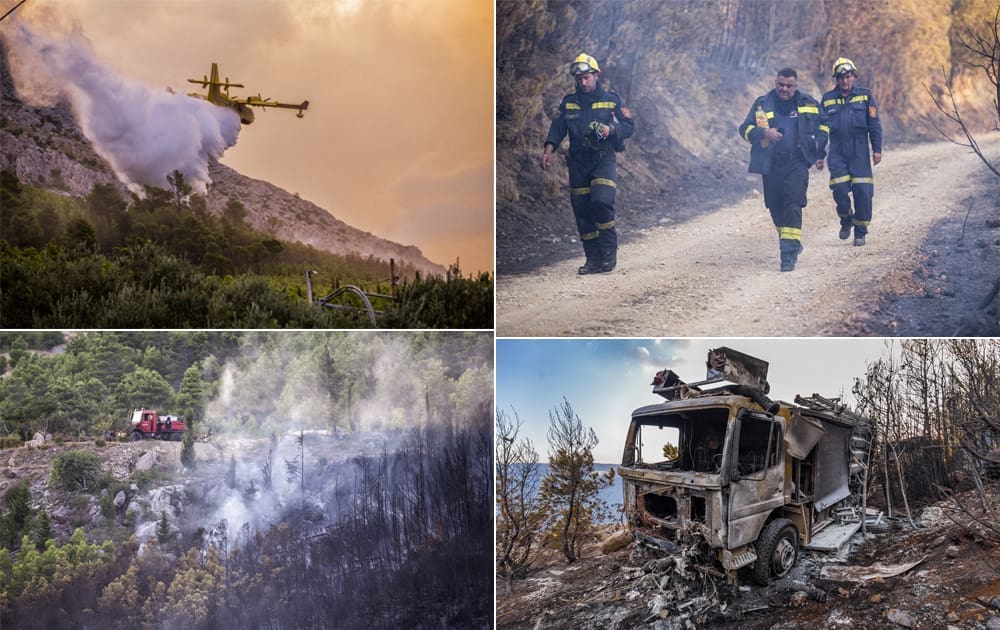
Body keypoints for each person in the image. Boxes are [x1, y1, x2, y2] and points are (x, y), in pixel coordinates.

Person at [541, 53, 635, 274]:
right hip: (578, 164)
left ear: (596, 75)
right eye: (579, 79)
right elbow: (558, 128)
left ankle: (608, 254)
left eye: (586, 77)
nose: (583, 82)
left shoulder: (612, 100)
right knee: (582, 211)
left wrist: (611, 130)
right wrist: (548, 150)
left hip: (603, 160)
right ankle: (593, 260)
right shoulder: (569, 103)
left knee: (601, 202)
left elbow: (629, 126)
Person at [738, 68, 828, 272]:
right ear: (775, 83)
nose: (784, 89)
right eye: (781, 85)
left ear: (795, 86)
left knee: (793, 204)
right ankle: (792, 241)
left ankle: (788, 255)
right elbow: (744, 129)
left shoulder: (807, 103)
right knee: (775, 206)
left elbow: (824, 123)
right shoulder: (762, 104)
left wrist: (819, 145)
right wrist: (764, 132)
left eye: (789, 86)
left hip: (797, 163)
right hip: (771, 164)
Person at [821, 57, 882, 246]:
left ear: (853, 76)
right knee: (839, 190)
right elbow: (821, 129)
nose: (845, 81)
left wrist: (877, 149)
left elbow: (874, 124)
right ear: (836, 79)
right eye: (841, 78)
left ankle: (860, 232)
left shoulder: (865, 96)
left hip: (860, 151)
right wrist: (818, 154)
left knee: (863, 192)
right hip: (837, 151)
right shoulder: (827, 100)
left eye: (848, 76)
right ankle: (846, 220)